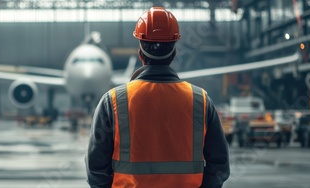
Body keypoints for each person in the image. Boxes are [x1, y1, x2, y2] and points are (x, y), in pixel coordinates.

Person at [85, 7, 230, 188]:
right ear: (174, 54)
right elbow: (220, 165)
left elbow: (96, 168)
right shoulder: (200, 100)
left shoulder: (113, 101)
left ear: (140, 54)